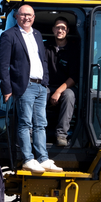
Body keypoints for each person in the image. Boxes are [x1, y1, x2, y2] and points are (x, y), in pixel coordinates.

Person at [0, 4, 63, 173]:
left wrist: (45, 82)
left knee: (41, 123)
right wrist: (6, 89)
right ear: (17, 16)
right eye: (24, 15)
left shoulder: (37, 35)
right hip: (24, 86)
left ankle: (43, 158)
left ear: (34, 17)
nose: (27, 18)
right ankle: (28, 158)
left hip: (41, 86)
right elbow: (3, 65)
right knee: (25, 123)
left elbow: (43, 61)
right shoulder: (8, 35)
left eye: (30, 15)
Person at [44, 17, 79, 147]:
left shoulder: (74, 50)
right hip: (47, 85)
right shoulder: (45, 47)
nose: (60, 30)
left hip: (66, 87)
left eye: (63, 28)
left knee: (70, 95)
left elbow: (74, 76)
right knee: (38, 93)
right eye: (57, 27)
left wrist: (58, 91)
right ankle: (37, 132)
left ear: (67, 30)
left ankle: (61, 134)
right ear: (53, 29)